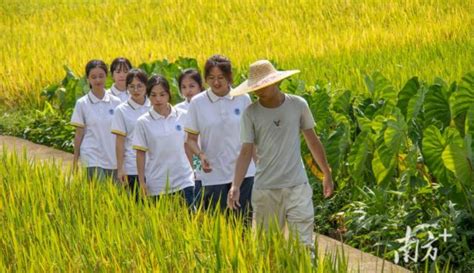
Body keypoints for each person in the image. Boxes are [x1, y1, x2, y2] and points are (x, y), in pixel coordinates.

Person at [227, 60, 333, 248]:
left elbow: (312, 140)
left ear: (276, 81)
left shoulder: (298, 105)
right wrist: (235, 185)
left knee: (303, 246)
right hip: (266, 189)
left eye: (263, 84)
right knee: (267, 248)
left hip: (297, 186)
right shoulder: (250, 114)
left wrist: (326, 172)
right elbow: (246, 151)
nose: (259, 89)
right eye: (255, 86)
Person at [184, 54, 255, 220]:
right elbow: (191, 139)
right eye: (211, 78)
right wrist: (200, 155)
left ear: (229, 77)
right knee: (219, 224)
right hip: (213, 172)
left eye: (221, 77)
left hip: (244, 172)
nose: (216, 82)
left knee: (242, 221)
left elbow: (252, 138)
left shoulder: (243, 98)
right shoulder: (197, 103)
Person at [133, 75, 194, 206]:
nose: (158, 99)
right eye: (153, 95)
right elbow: (140, 153)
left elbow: (187, 145)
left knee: (189, 222)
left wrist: (192, 170)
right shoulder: (143, 122)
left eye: (162, 94)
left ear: (169, 94)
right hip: (157, 183)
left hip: (184, 180)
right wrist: (142, 182)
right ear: (148, 96)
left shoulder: (182, 116)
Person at [71, 59, 122, 181]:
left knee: (114, 196)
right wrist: (75, 160)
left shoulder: (116, 102)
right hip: (91, 155)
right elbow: (79, 134)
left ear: (107, 77)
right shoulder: (82, 104)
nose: (97, 80)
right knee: (100, 190)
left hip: (112, 157)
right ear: (87, 79)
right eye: (93, 77)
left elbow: (121, 135)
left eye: (101, 76)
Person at [111, 68, 150, 197]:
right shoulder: (121, 110)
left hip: (155, 167)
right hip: (132, 167)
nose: (136, 90)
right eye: (131, 86)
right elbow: (120, 142)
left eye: (140, 86)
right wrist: (120, 168)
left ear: (146, 86)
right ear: (127, 88)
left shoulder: (154, 106)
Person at [175, 68, 205, 205]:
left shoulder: (206, 105)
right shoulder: (177, 110)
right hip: (185, 156)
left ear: (200, 86)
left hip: (205, 151)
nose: (188, 90)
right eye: (184, 87)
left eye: (192, 86)